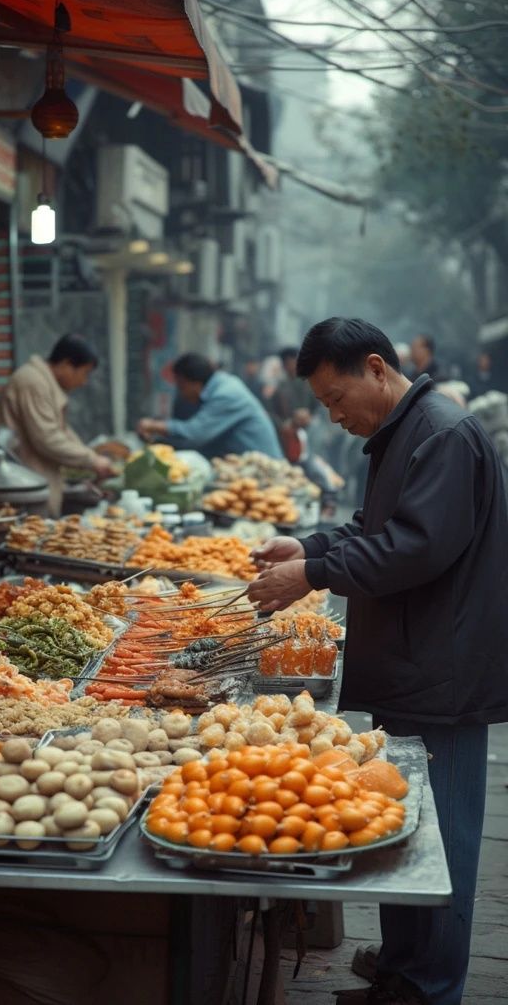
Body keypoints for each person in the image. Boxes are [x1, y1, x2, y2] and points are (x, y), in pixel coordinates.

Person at [247, 317, 508, 1005]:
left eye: (337, 398)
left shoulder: (444, 435)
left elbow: (413, 549)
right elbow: (373, 529)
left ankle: (430, 987)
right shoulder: (402, 434)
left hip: (442, 675)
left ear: (375, 368)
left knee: (441, 841)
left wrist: (314, 573)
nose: (335, 415)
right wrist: (306, 544)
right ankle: (400, 967)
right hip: (408, 663)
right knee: (400, 825)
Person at [0, 334, 114, 516]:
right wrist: (92, 460)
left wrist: (89, 462)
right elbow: (47, 438)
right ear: (66, 364)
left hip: (33, 485)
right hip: (22, 488)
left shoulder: (44, 383)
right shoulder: (32, 382)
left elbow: (61, 432)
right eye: (84, 373)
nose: (84, 382)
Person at [137, 353, 282, 460]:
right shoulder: (220, 386)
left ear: (193, 382)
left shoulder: (226, 394)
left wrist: (153, 426)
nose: (182, 394)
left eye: (181, 387)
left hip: (264, 470)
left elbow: (195, 433)